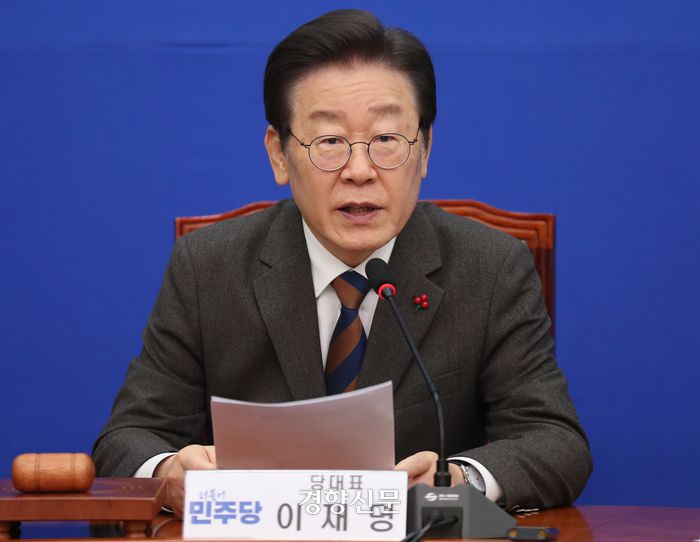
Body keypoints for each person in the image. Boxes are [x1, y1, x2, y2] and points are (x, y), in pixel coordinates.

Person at [93, 9, 592, 517]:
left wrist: (457, 481)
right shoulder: (209, 267)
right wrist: (169, 474)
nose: (359, 170)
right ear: (279, 155)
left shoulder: (490, 267)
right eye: (330, 141)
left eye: (386, 140)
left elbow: (555, 441)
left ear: (424, 151)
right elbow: (128, 438)